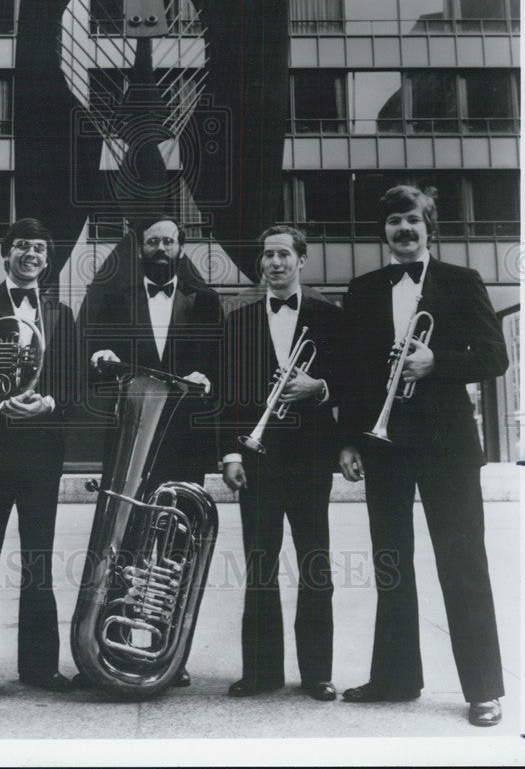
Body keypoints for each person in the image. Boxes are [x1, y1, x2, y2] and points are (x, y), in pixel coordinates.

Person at [339, 185, 508, 727]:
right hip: (383, 445)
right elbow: (354, 374)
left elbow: (494, 356)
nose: (403, 230)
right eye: (393, 222)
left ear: (428, 225)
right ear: (383, 231)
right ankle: (395, 678)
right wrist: (347, 439)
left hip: (447, 447)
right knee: (392, 564)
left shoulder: (462, 281)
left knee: (462, 563)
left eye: (412, 220)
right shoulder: (363, 289)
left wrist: (438, 362)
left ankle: (483, 690)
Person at [79, 214, 223, 687]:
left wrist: (208, 376)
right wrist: (98, 357)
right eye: (153, 241)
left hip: (182, 440)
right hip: (130, 433)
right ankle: (100, 647)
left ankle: (165, 653)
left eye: (169, 241)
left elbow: (223, 360)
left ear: (182, 248)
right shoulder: (110, 295)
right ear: (140, 248)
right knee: (119, 543)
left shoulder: (204, 300)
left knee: (172, 550)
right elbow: (86, 347)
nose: (161, 248)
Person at [0, 217, 78, 703]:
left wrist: (49, 402)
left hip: (41, 451)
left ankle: (39, 667)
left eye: (40, 248)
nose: (31, 254)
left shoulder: (59, 312)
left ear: (48, 258)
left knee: (38, 560)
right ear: (6, 254)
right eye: (22, 245)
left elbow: (69, 378)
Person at [221, 225, 344, 700]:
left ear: (302, 260)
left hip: (311, 459)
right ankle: (261, 672)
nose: (274, 263)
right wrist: (231, 453)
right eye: (267, 255)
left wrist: (321, 387)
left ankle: (317, 673)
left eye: (283, 255)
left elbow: (353, 381)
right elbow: (228, 395)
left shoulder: (329, 317)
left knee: (316, 566)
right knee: (260, 566)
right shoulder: (239, 320)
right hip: (258, 460)